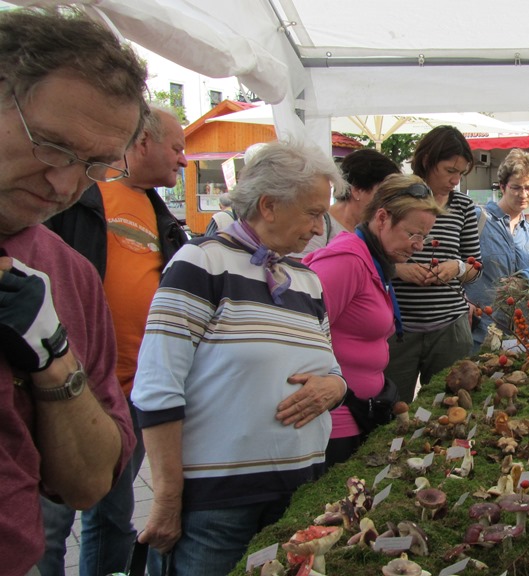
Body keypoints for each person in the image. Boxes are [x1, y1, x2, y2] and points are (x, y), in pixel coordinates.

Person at [131, 140, 349, 575]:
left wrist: (335, 388)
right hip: (219, 505)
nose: (319, 228)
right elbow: (157, 388)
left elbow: (334, 371)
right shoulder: (200, 263)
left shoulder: (306, 280)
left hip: (297, 491)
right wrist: (168, 498)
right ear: (268, 205)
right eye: (311, 213)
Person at [0, 9, 146, 574]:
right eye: (52, 146)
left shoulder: (69, 275)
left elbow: (86, 484)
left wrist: (52, 356)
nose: (64, 183)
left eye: (94, 165)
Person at [39, 106, 188, 576]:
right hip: (66, 392)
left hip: (130, 394)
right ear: (142, 143)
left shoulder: (160, 214)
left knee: (112, 517)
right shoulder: (79, 197)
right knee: (50, 524)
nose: (184, 161)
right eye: (177, 147)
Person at [305, 174, 442, 464]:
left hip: (358, 413)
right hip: (337, 421)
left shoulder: (373, 260)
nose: (419, 246)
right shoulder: (347, 261)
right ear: (382, 218)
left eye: (424, 237)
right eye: (413, 234)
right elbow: (302, 332)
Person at [385, 126, 481, 403]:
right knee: (392, 410)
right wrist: (398, 270)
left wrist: (457, 268)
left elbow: (476, 265)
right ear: (428, 160)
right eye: (449, 170)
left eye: (461, 173)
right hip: (396, 328)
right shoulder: (396, 197)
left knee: (448, 407)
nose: (455, 180)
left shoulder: (463, 206)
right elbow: (369, 252)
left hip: (449, 329)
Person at [465, 149, 529, 351]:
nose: (523, 194)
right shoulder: (478, 220)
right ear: (502, 187)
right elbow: (453, 265)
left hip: (519, 337)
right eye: (516, 188)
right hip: (479, 334)